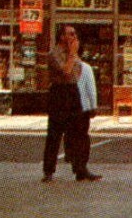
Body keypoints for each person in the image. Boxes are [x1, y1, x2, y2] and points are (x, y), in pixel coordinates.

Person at [42, 24, 100, 182]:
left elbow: (79, 73)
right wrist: (73, 54)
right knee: (54, 133)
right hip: (59, 92)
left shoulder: (72, 55)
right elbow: (66, 72)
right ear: (62, 37)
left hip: (73, 91)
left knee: (79, 132)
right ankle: (49, 170)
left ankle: (81, 168)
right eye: (71, 34)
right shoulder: (54, 54)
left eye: (75, 34)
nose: (74, 37)